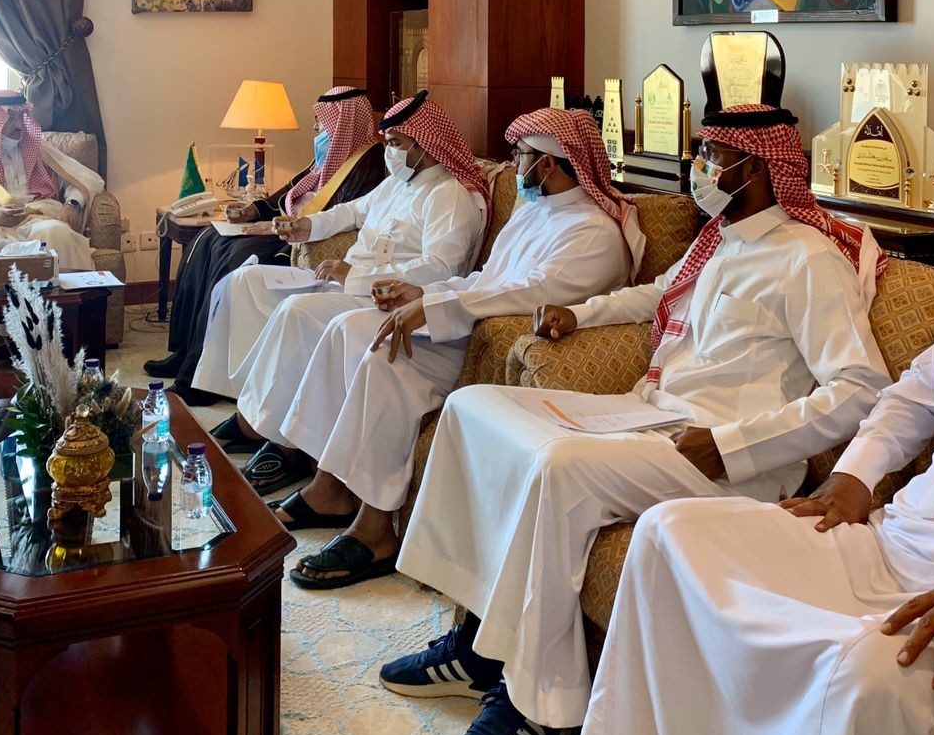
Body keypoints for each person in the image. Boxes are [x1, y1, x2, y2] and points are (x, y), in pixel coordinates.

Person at [383, 103, 891, 735]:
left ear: (760, 168)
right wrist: (580, 313)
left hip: (729, 458)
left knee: (558, 467)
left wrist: (735, 444)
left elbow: (861, 387)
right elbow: (657, 294)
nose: (700, 169)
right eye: (700, 152)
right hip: (652, 416)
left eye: (714, 157)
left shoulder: (808, 258)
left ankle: (537, 703)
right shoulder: (721, 240)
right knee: (473, 408)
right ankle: (475, 645)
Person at [573, 172, 934, 735]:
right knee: (667, 533)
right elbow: (916, 391)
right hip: (891, 538)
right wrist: (855, 475)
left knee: (861, 679)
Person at [236, 107, 643, 590]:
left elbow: (528, 294)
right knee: (352, 328)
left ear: (549, 164)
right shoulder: (536, 211)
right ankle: (329, 484)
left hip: (490, 339)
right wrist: (426, 294)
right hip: (465, 317)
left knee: (385, 354)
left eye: (520, 155)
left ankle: (374, 530)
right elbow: (487, 278)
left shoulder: (593, 233)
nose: (514, 165)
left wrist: (434, 305)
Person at [197, 91, 490, 451]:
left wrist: (355, 275)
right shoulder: (398, 184)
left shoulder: (449, 196)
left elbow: (440, 269)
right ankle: (247, 401)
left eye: (396, 143)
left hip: (380, 298)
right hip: (344, 284)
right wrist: (307, 226)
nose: (389, 152)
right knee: (246, 282)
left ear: (424, 145)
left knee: (296, 311)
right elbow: (351, 211)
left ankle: (266, 432)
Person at [147, 86, 382, 393]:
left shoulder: (369, 163)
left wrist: (274, 227)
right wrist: (253, 211)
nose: (316, 129)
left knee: (233, 256)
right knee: (204, 241)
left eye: (322, 122)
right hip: (280, 227)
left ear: (344, 122)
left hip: (299, 239)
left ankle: (198, 370)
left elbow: (342, 217)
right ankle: (184, 351)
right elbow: (290, 192)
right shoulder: (327, 159)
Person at [0, 89, 104, 271]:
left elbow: (84, 179)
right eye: (10, 118)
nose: (19, 125)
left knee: (57, 232)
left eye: (21, 116)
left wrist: (73, 204)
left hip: (35, 222)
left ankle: (61, 291)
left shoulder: (37, 149)